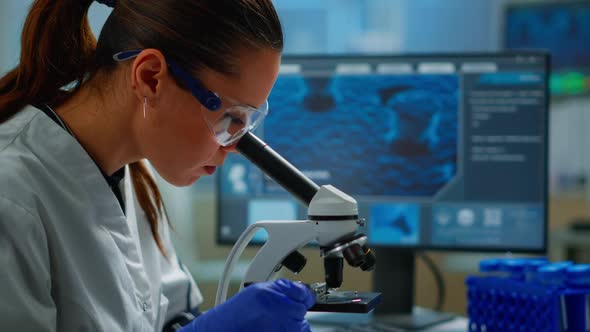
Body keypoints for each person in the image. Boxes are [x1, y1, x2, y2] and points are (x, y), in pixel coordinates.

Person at [0, 0, 315, 331]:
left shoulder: (136, 172)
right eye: (229, 117)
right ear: (150, 78)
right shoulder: (12, 198)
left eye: (247, 122)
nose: (234, 146)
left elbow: (170, 316)